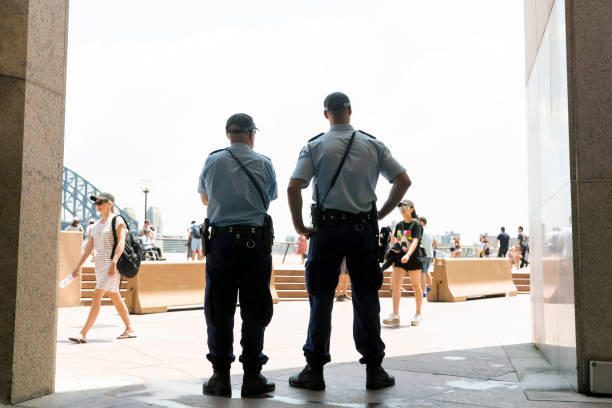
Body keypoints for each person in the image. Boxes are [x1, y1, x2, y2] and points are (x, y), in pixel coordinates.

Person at [287, 92, 410, 391]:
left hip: (326, 232)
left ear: (326, 114)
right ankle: (375, 370)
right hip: (363, 230)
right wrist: (380, 213)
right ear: (350, 111)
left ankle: (314, 370)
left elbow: (295, 186)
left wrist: (300, 225)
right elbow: (403, 180)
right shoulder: (372, 144)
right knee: (366, 298)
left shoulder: (315, 145)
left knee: (321, 297)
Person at [198, 113, 278, 398]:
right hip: (255, 244)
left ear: (227, 135)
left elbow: (205, 197)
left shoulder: (213, 160)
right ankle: (252, 376)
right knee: (255, 309)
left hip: (221, 243)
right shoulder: (264, 163)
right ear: (252, 134)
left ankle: (220, 377)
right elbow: (269, 197)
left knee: (219, 309)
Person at [68, 193, 135, 343]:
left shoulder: (117, 220)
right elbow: (88, 249)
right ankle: (129, 328)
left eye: (100, 202)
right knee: (114, 296)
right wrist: (78, 267)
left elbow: (121, 243)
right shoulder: (96, 225)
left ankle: (83, 333)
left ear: (110, 204)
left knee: (97, 295)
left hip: (112, 264)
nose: (97, 205)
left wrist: (114, 262)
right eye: (96, 203)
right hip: (100, 264)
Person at [383, 200, 424, 326]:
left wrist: (408, 254)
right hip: (400, 259)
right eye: (400, 207)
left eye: (405, 206)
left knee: (416, 284)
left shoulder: (416, 224)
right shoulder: (399, 225)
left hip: (413, 258)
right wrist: (392, 249)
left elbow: (416, 241)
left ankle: (418, 313)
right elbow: (396, 241)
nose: (402, 209)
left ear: (411, 209)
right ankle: (395, 315)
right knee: (396, 284)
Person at [419, 217, 435, 297]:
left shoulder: (420, 231)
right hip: (430, 254)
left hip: (422, 254)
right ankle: (431, 286)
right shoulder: (431, 231)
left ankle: (423, 291)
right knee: (426, 271)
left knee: (422, 274)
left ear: (422, 222)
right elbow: (435, 244)